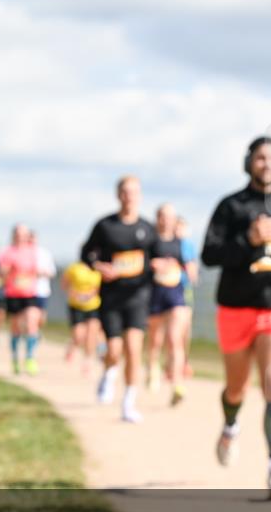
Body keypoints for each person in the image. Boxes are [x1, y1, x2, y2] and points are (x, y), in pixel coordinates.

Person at [202, 136, 271, 499]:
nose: (268, 164)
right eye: (261, 158)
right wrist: (248, 239)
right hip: (236, 309)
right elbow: (210, 255)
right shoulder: (230, 206)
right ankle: (230, 425)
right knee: (236, 387)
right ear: (249, 162)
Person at [82, 175, 157, 423]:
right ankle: (108, 371)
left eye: (134, 192)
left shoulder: (148, 228)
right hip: (111, 297)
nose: (129, 196)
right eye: (125, 192)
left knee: (134, 349)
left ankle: (128, 403)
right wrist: (99, 266)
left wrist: (163, 265)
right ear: (118, 195)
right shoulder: (105, 226)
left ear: (140, 195)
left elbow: (157, 257)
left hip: (138, 296)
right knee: (114, 350)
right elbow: (86, 253)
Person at [146, 203, 197, 406]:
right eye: (162, 216)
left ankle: (177, 384)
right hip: (155, 294)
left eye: (170, 216)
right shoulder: (150, 241)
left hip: (176, 294)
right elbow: (141, 264)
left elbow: (192, 270)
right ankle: (152, 368)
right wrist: (153, 265)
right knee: (155, 340)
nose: (166, 220)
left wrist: (185, 269)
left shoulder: (182, 243)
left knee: (175, 339)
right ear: (157, 218)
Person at [0, 224, 42, 375]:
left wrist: (38, 273)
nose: (21, 236)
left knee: (32, 322)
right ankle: (15, 357)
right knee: (15, 327)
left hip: (29, 293)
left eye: (23, 234)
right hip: (13, 293)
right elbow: (2, 273)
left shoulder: (32, 251)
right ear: (14, 235)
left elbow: (36, 270)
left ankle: (30, 358)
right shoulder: (8, 252)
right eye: (18, 234)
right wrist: (7, 272)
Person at [62, 256, 103, 376]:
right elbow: (65, 284)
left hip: (94, 305)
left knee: (92, 334)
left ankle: (88, 361)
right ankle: (72, 344)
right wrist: (74, 294)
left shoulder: (98, 268)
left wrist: (91, 294)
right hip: (76, 306)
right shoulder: (74, 268)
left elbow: (100, 287)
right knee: (79, 335)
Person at [176, 216, 199, 379]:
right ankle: (172, 363)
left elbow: (193, 272)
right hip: (166, 290)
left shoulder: (188, 246)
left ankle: (184, 362)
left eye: (181, 227)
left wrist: (191, 272)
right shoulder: (166, 243)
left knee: (185, 329)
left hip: (184, 290)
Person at [30, 230, 56, 330]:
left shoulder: (45, 253)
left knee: (41, 316)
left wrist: (42, 273)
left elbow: (52, 272)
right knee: (30, 315)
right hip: (26, 290)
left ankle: (36, 331)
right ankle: (31, 333)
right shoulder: (22, 253)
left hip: (41, 290)